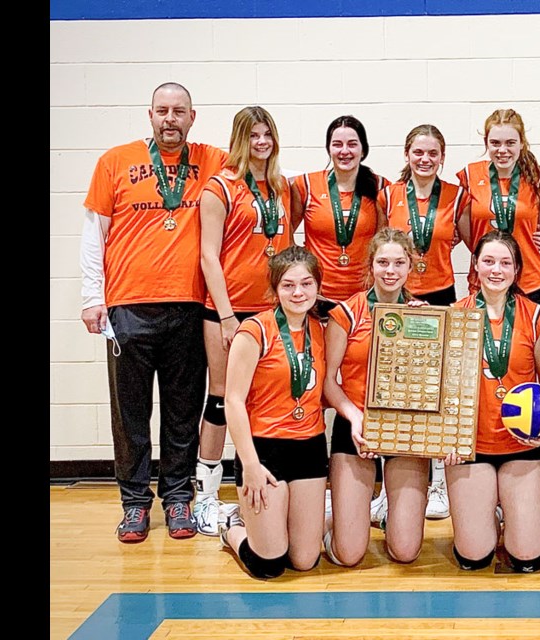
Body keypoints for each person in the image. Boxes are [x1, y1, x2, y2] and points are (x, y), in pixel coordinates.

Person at [80, 82, 228, 543]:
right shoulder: (114, 161)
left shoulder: (214, 161)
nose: (170, 118)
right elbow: (94, 233)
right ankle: (134, 504)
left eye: (179, 111)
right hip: (128, 306)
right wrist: (92, 296)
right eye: (162, 110)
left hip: (189, 304)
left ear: (192, 117)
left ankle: (179, 497)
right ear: (150, 115)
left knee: (183, 409)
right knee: (131, 413)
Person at [193, 106, 295, 536]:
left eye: (267, 134)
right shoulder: (220, 187)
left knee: (264, 401)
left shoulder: (281, 186)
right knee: (221, 398)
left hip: (273, 310)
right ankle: (206, 496)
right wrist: (227, 314)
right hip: (228, 312)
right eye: (253, 135)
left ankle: (261, 487)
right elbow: (208, 256)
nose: (261, 142)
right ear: (240, 138)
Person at [444, 231, 540, 573]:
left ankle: (531, 509)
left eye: (505, 263)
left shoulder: (538, 318)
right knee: (474, 557)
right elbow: (439, 387)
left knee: (528, 558)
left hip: (522, 443)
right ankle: (490, 506)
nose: (496, 269)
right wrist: (446, 436)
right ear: (474, 266)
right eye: (488, 261)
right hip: (470, 446)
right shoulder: (453, 315)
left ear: (518, 270)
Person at [322, 228, 431, 566]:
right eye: (382, 262)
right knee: (349, 555)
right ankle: (330, 520)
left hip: (404, 431)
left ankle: (386, 513)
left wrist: (432, 327)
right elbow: (328, 383)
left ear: (410, 267)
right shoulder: (347, 313)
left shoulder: (423, 315)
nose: (390, 270)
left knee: (405, 552)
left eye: (399, 263)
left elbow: (435, 383)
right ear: (370, 266)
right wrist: (355, 417)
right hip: (357, 428)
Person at [219, 247, 328, 579]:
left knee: (306, 559)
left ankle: (274, 521)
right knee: (268, 564)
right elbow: (233, 401)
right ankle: (231, 528)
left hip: (310, 446)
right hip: (265, 450)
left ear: (318, 287)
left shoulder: (321, 328)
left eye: (306, 284)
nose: (298, 293)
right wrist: (250, 464)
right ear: (275, 289)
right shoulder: (254, 330)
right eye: (288, 285)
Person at [378, 124, 468, 521]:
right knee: (395, 389)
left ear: (442, 157)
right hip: (398, 301)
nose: (425, 160)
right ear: (407, 154)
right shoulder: (389, 194)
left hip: (440, 296)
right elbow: (382, 241)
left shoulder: (456, 195)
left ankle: (438, 484)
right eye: (418, 152)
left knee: (438, 392)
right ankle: (387, 486)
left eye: (433, 153)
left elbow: (465, 236)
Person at [457, 109, 540, 309]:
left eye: (510, 143)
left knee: (532, 340)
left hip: (528, 279)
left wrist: (536, 236)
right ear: (486, 143)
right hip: (485, 279)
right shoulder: (470, 174)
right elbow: (467, 231)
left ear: (521, 143)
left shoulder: (537, 176)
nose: (502, 150)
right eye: (495, 143)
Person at [290, 115, 389, 306]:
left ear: (363, 149)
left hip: (365, 296)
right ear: (329, 148)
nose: (345, 151)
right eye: (337, 144)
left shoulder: (380, 186)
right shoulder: (306, 185)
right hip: (317, 295)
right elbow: (286, 233)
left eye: (352, 144)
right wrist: (300, 267)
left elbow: (383, 241)